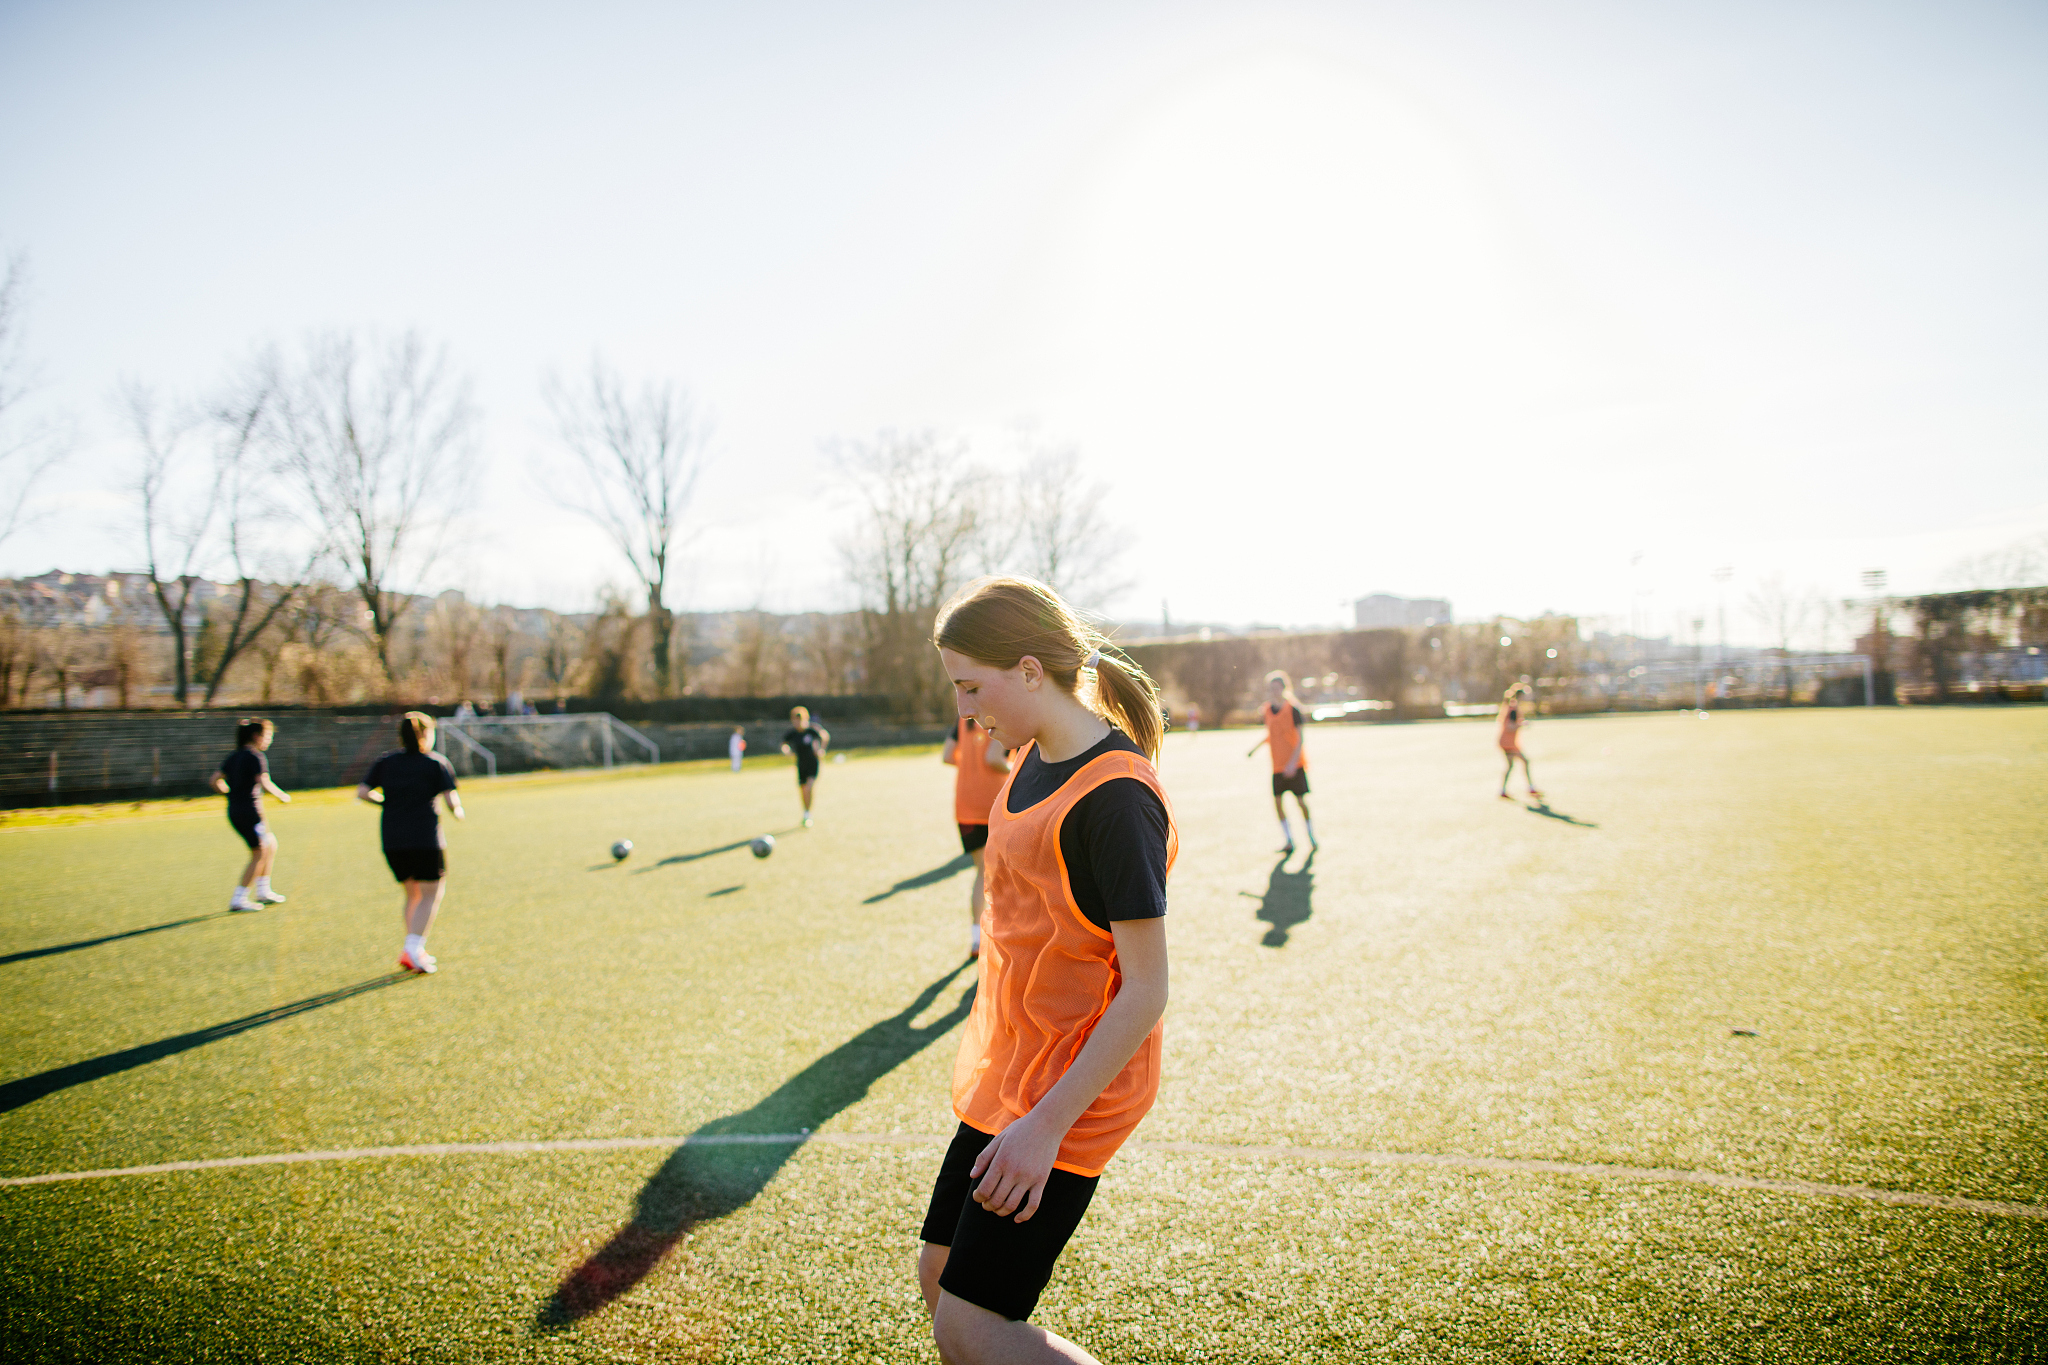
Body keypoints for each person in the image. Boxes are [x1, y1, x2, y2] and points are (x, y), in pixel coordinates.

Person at [921, 575, 1176, 1365]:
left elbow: (1148, 987)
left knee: (971, 1325)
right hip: (1016, 1068)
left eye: (972, 685)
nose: (965, 710)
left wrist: (1045, 1126)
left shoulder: (1118, 798)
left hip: (1072, 1090)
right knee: (939, 1276)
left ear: (1030, 670)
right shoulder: (1027, 756)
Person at [357, 711, 465, 975]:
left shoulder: (387, 761)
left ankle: (412, 949)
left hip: (392, 838)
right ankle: (414, 948)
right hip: (425, 838)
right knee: (431, 893)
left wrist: (386, 802)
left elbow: (362, 793)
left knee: (412, 894)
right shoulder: (435, 762)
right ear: (427, 734)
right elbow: (451, 800)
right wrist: (459, 812)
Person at [941, 714, 1011, 958]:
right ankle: (988, 939)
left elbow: (948, 756)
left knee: (982, 873)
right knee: (995, 875)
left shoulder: (960, 722)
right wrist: (1015, 772)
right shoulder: (998, 716)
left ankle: (976, 938)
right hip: (993, 803)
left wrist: (971, 767)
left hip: (966, 805)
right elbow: (993, 758)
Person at [211, 718, 290, 912]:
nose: (269, 741)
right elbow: (264, 782)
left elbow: (215, 781)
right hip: (250, 812)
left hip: (235, 810)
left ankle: (263, 890)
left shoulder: (234, 756)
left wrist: (231, 795)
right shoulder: (255, 756)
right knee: (260, 851)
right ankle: (239, 898)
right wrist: (282, 796)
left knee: (270, 843)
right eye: (267, 736)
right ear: (256, 736)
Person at [1246, 669, 1315, 852]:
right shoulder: (1267, 710)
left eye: (1277, 687)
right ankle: (1289, 840)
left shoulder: (1294, 709)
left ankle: (1310, 835)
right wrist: (1255, 749)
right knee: (1277, 802)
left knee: (1301, 802)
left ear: (1284, 688)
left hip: (1295, 766)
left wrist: (1292, 763)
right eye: (1271, 688)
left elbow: (1300, 739)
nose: (1274, 691)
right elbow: (1271, 734)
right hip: (1277, 767)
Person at [780, 706, 830, 826]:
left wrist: (821, 750)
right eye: (795, 719)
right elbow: (784, 744)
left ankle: (808, 813)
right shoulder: (792, 733)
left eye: (800, 719)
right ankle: (806, 812)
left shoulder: (811, 730)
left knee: (808, 787)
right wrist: (786, 751)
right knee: (803, 790)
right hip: (800, 765)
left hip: (813, 764)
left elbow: (825, 736)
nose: (798, 722)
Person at [1497, 681, 1542, 800]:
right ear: (1520, 696)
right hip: (1508, 743)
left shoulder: (1510, 706)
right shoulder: (1513, 709)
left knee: (1511, 766)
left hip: (1507, 742)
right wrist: (1522, 724)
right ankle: (1530, 788)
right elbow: (1510, 727)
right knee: (1525, 762)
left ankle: (1503, 790)